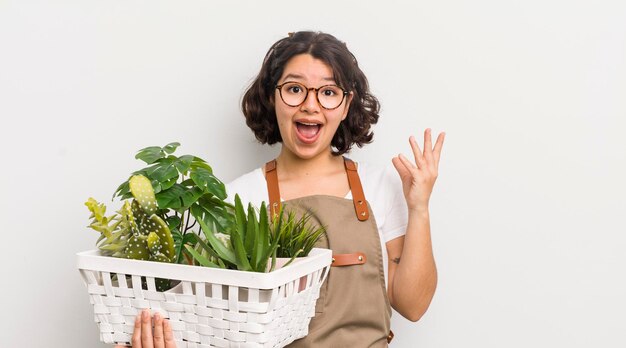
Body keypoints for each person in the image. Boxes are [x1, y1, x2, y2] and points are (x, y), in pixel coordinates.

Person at [119, 30, 444, 348]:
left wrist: (419, 207)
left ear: (346, 105)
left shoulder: (381, 187)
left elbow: (412, 306)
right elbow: (206, 323)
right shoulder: (237, 198)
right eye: (294, 89)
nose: (310, 105)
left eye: (328, 92)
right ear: (272, 97)